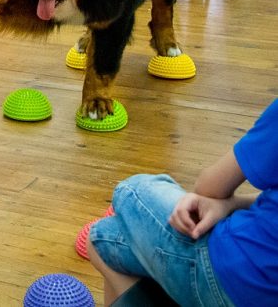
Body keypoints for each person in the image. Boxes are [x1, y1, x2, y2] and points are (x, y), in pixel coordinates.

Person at [87, 98, 278, 305]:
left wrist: (223, 201)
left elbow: (209, 188)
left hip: (241, 279)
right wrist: (229, 205)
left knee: (118, 211)